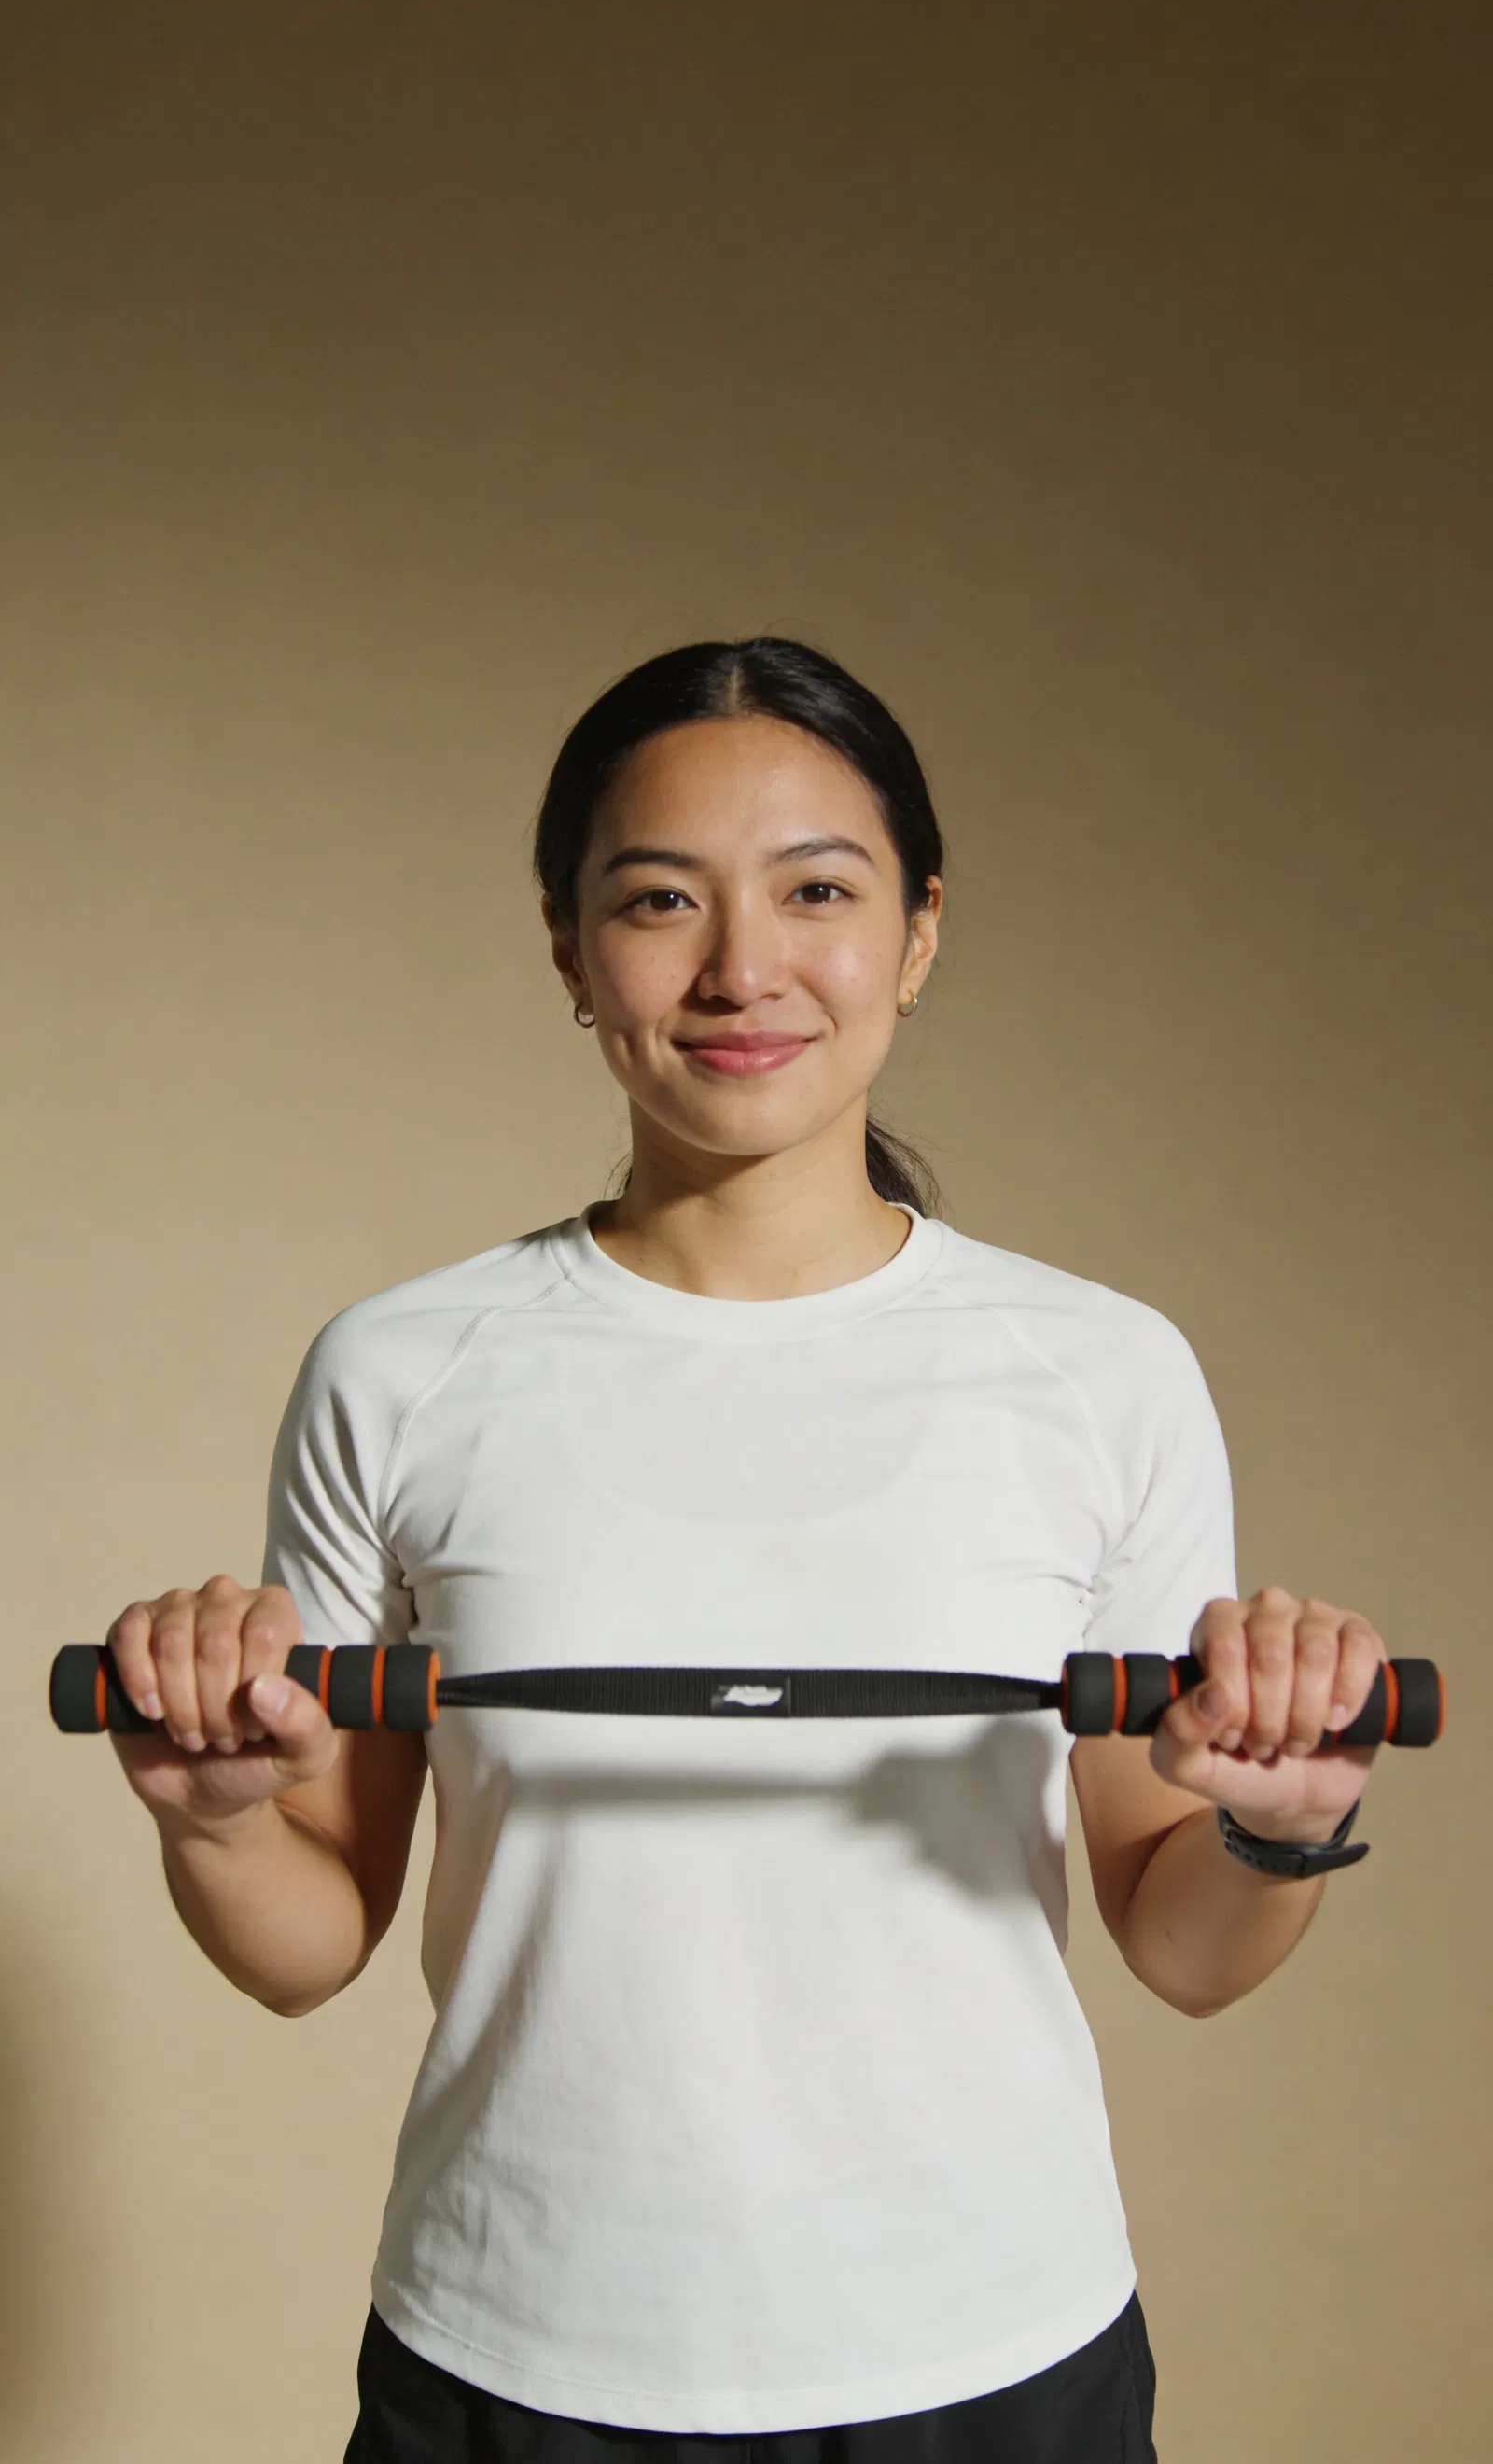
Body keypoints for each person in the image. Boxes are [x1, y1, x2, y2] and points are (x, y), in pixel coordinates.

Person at [103, 638, 1392, 2464]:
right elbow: (307, 1941)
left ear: (918, 934)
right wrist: (218, 1814)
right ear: (567, 948)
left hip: (997, 2360)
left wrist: (1277, 1814)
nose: (739, 970)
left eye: (815, 891)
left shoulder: (1100, 1373)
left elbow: (1181, 1946)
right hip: (510, 2362)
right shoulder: (399, 1371)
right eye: (654, 901)